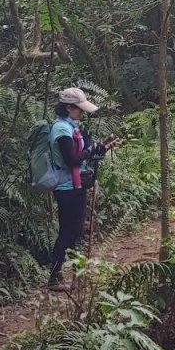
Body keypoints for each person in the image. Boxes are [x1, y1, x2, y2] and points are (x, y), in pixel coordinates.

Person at [48, 86, 121, 290]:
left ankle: (71, 274)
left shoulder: (70, 126)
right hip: (66, 188)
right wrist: (89, 150)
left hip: (75, 186)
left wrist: (101, 148)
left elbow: (81, 157)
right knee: (69, 232)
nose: (82, 112)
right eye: (79, 109)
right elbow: (72, 160)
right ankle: (55, 277)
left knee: (74, 231)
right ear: (69, 107)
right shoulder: (61, 130)